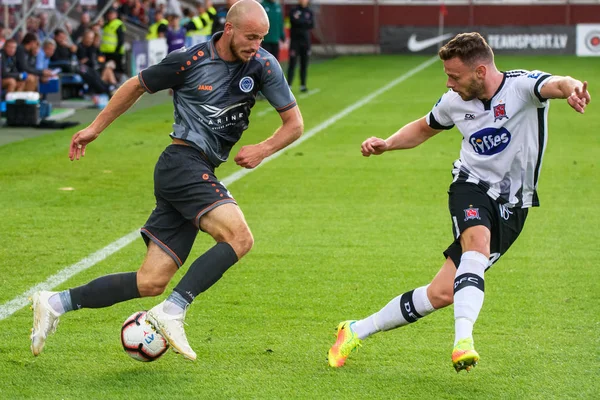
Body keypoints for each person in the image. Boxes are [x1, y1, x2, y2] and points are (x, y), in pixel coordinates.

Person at [30, 0, 303, 362]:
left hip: (196, 170)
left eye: (262, 38)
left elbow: (294, 124)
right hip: (182, 163)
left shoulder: (264, 65)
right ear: (229, 28)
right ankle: (173, 311)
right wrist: (94, 129)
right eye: (251, 37)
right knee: (239, 237)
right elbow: (136, 85)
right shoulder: (189, 60)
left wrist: (264, 148)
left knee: (150, 281)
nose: (257, 45)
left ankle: (54, 302)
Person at [327, 32, 591, 372]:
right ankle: (462, 341)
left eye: (454, 76)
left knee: (441, 293)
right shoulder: (453, 102)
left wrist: (573, 90)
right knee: (476, 246)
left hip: (514, 204)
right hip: (471, 185)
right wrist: (387, 144)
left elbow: (557, 83)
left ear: (480, 71)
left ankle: (354, 329)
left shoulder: (521, 88)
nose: (449, 83)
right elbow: (423, 128)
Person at [286, 0, 313, 92]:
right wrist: (304, 22)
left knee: (304, 64)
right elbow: (293, 21)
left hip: (305, 42)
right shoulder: (294, 10)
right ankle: (288, 84)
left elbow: (312, 24)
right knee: (292, 63)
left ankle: (303, 85)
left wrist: (301, 21)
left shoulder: (309, 11)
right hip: (295, 42)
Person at [100, 8, 126, 74]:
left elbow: (121, 39)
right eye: (109, 13)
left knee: (115, 69)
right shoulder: (106, 24)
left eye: (112, 13)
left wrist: (116, 51)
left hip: (115, 53)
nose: (110, 15)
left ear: (116, 15)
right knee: (106, 68)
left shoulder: (118, 24)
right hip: (105, 52)